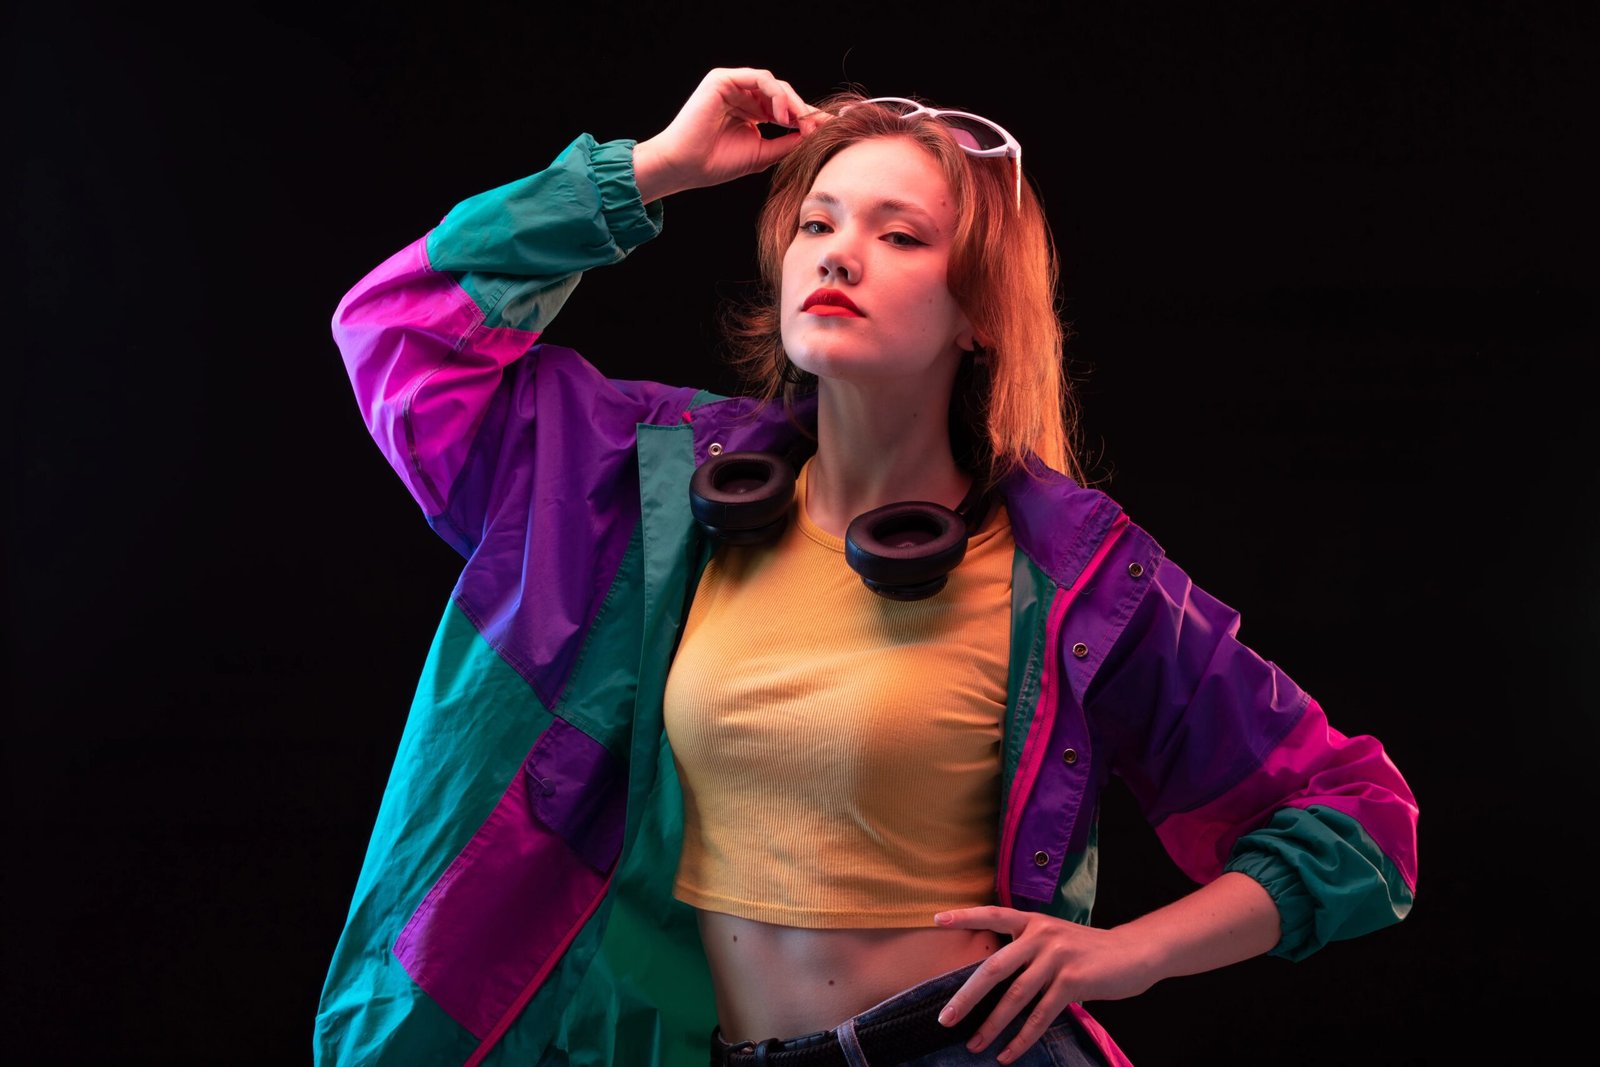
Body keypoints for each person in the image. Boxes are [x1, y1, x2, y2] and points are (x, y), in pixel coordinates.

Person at [314, 68, 1419, 1067]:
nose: (839, 253)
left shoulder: (1077, 577)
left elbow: (1357, 816)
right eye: (818, 221)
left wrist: (1128, 954)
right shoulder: (643, 489)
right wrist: (651, 169)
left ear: (979, 312)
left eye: (901, 235)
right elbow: (401, 331)